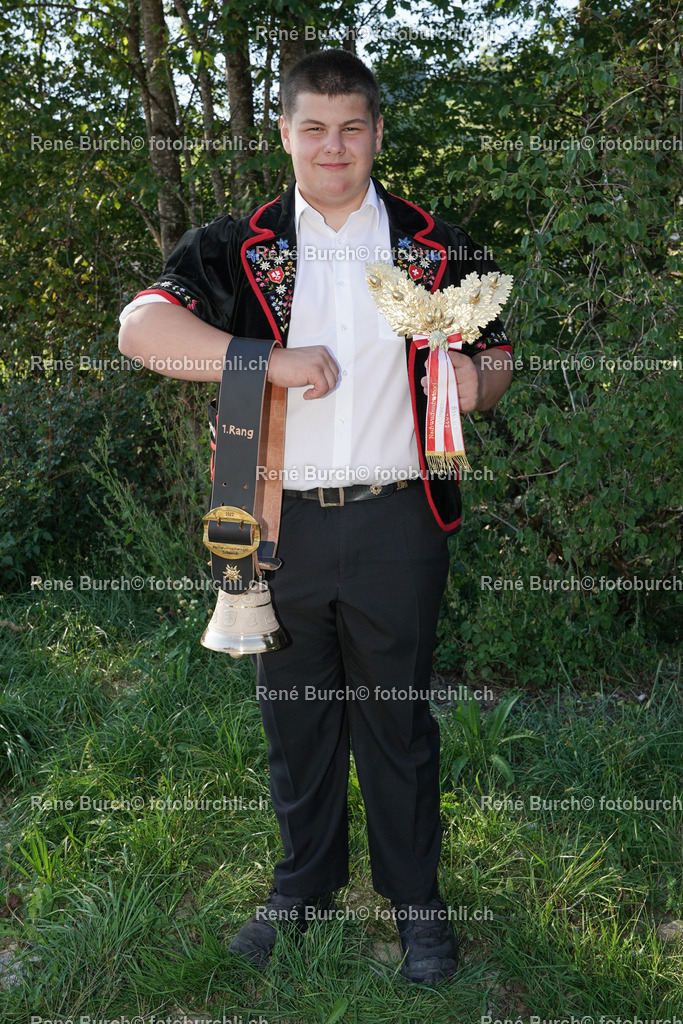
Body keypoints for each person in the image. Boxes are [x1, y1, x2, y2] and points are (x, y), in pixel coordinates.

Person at [118, 48, 513, 985]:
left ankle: (416, 906)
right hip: (272, 522)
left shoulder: (438, 245)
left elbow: (496, 361)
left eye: (350, 128)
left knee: (398, 722)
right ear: (287, 135)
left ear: (376, 133)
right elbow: (142, 331)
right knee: (293, 720)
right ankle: (303, 887)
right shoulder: (236, 245)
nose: (332, 147)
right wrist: (265, 362)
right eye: (312, 128)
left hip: (398, 521)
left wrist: (475, 378)